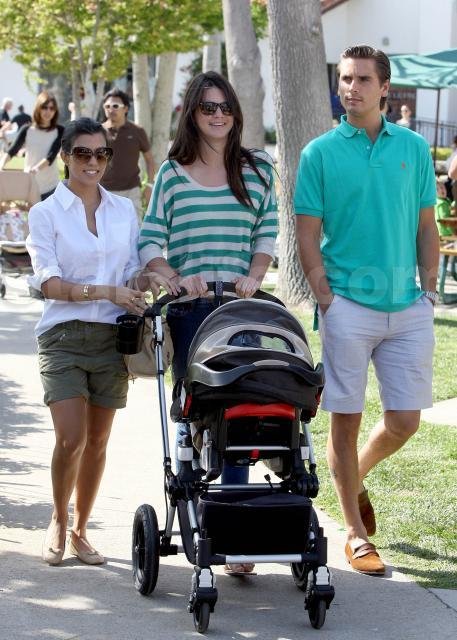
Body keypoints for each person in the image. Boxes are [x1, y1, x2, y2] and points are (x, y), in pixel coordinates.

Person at [294, 45, 439, 576]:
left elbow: (427, 226)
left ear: (384, 87)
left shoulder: (414, 149)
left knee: (405, 421)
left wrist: (428, 292)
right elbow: (306, 234)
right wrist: (326, 299)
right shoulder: (319, 153)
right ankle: (355, 535)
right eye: (344, 78)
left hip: (408, 306)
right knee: (346, 423)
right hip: (348, 305)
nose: (350, 88)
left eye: (361, 79)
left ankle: (354, 478)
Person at [138, 70, 278, 575]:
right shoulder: (172, 174)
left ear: (235, 113)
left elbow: (266, 231)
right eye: (207, 107)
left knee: (239, 413)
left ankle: (235, 530)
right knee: (198, 414)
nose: (218, 115)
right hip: (191, 311)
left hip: (241, 309)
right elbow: (150, 240)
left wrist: (254, 275)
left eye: (225, 107)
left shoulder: (257, 169)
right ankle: (201, 513)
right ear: (192, 114)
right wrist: (176, 278)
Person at [25, 117, 173, 567]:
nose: (93, 162)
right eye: (83, 153)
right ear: (66, 157)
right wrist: (105, 291)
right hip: (63, 335)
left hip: (114, 336)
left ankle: (81, 530)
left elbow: (129, 270)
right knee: (71, 438)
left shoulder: (123, 211)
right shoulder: (46, 213)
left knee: (98, 441)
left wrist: (145, 279)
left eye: (101, 153)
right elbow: (48, 284)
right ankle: (58, 517)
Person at [100, 88, 154, 222]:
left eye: (115, 106)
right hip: (104, 192)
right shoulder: (98, 132)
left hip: (132, 191)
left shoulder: (137, 131)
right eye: (107, 106)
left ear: (125, 108)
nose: (111, 109)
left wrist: (149, 185)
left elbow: (149, 160)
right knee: (106, 232)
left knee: (134, 231)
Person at [0, 91, 63, 200]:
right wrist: (1, 165)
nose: (48, 111)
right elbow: (12, 150)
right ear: (38, 108)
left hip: (51, 188)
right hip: (29, 185)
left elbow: (51, 157)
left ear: (55, 111)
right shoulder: (27, 129)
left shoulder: (60, 130)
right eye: (45, 107)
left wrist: (35, 169)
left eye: (52, 108)